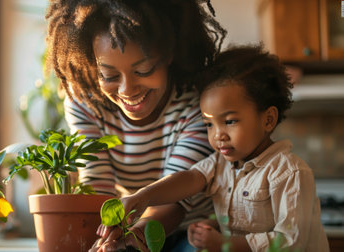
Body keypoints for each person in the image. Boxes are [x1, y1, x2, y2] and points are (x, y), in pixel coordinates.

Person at [44, 0, 227, 251]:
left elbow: (175, 202)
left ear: (169, 53)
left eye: (143, 69)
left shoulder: (198, 102)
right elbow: (98, 185)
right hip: (130, 228)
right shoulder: (85, 103)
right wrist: (107, 237)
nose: (127, 90)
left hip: (193, 230)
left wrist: (131, 239)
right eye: (109, 76)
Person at [120, 45, 330, 252]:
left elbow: (292, 241)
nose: (218, 134)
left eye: (229, 121)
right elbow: (191, 178)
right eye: (209, 124)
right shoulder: (220, 164)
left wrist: (225, 245)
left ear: (268, 119)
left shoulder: (288, 172)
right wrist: (144, 196)